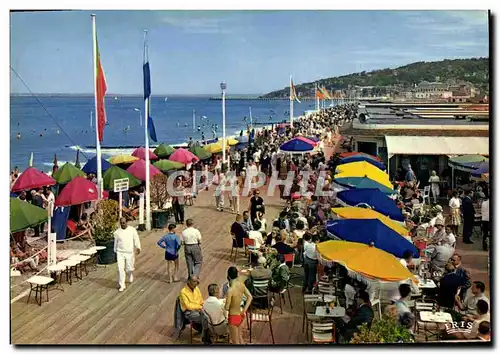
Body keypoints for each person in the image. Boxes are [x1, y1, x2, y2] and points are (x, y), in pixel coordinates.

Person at [225, 268, 253, 344]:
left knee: (235, 342)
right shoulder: (242, 285)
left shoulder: (230, 290)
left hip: (233, 316)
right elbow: (250, 297)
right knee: (240, 338)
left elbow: (227, 307)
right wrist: (244, 310)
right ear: (237, 275)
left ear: (228, 277)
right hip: (241, 315)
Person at [113, 217, 141, 292]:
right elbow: (115, 242)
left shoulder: (132, 230)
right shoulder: (117, 232)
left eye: (124, 222)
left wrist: (138, 247)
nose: (123, 224)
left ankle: (130, 274)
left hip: (129, 252)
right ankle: (122, 285)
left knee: (129, 268)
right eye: (121, 223)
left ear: (126, 222)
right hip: (120, 252)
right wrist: (115, 251)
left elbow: (136, 238)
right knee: (120, 269)